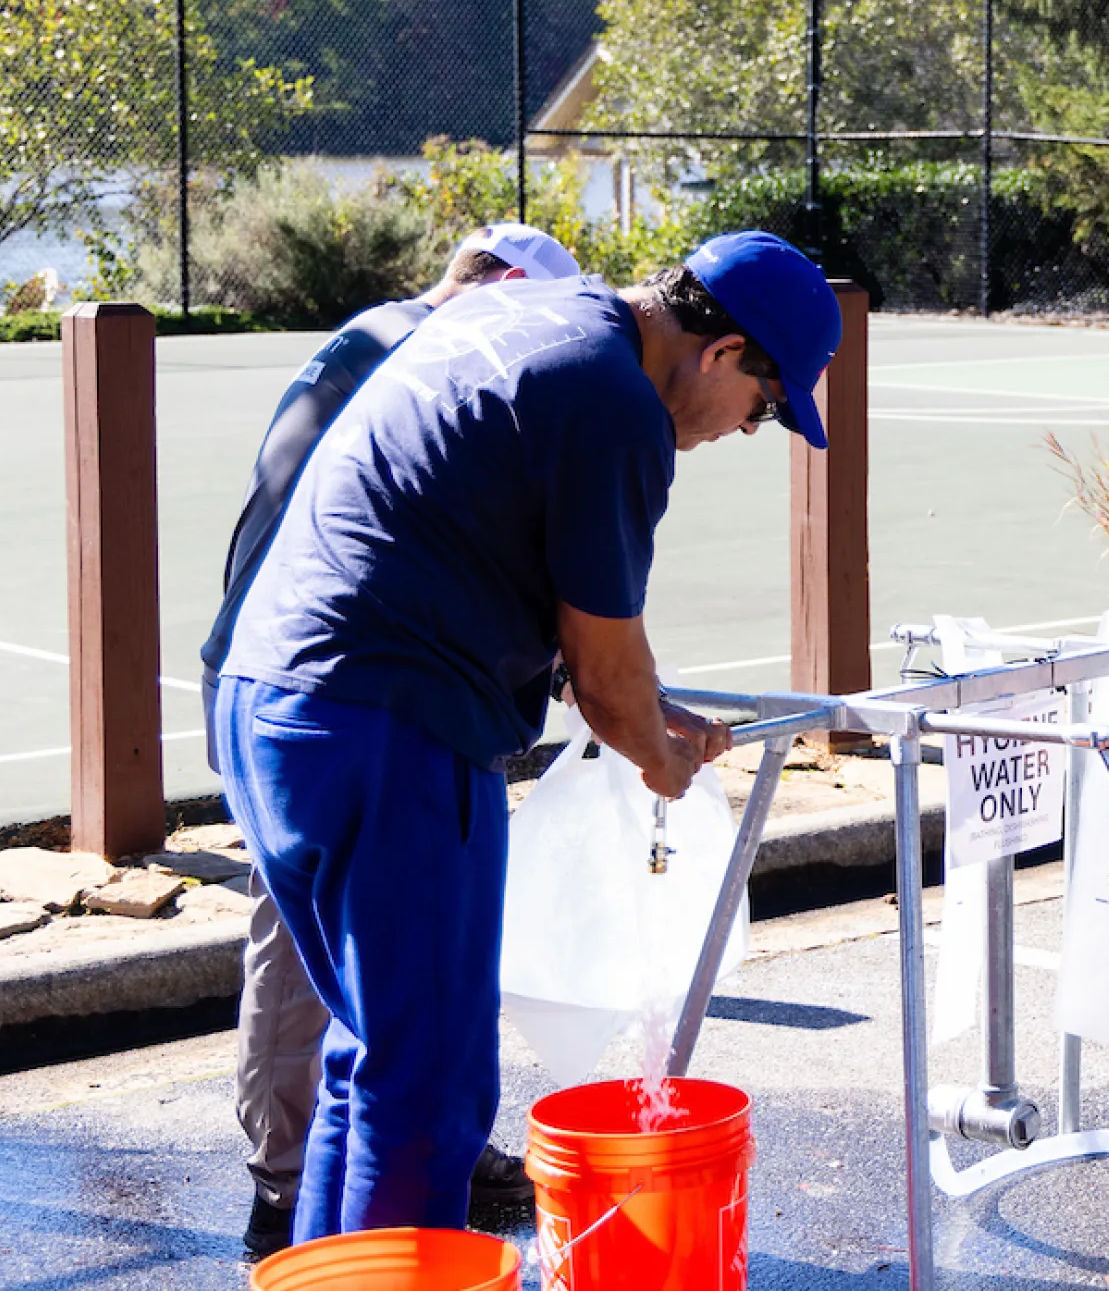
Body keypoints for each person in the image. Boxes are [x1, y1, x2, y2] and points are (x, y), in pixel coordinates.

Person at [215, 231, 842, 1246]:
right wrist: (659, 752)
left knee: (371, 1055)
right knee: (428, 1087)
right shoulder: (614, 403)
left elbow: (495, 557)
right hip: (391, 721)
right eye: (765, 409)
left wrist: (644, 707)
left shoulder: (524, 319)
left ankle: (328, 1271)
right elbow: (603, 675)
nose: (745, 429)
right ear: (723, 354)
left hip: (272, 702)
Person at [199, 221, 579, 1258]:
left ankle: (345, 1179)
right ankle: (285, 1184)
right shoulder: (422, 349)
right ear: (496, 286)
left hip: (285, 668)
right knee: (314, 948)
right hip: (330, 680)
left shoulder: (376, 335)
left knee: (361, 978)